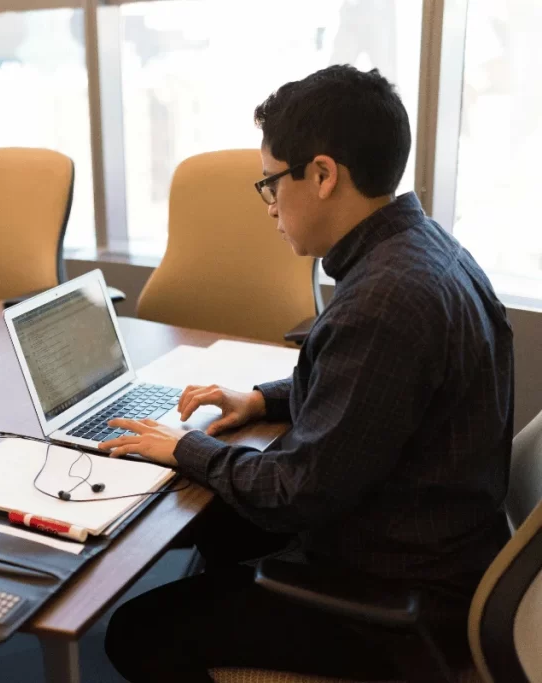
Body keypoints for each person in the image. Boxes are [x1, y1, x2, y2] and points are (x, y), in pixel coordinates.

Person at [100, 65, 513, 681]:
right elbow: (380, 391)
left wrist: (187, 448)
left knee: (136, 632)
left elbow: (297, 491)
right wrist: (265, 401)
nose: (269, 206)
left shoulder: (385, 300)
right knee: (215, 525)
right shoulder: (423, 251)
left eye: (270, 183)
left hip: (395, 596)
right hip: (434, 539)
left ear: (321, 175)